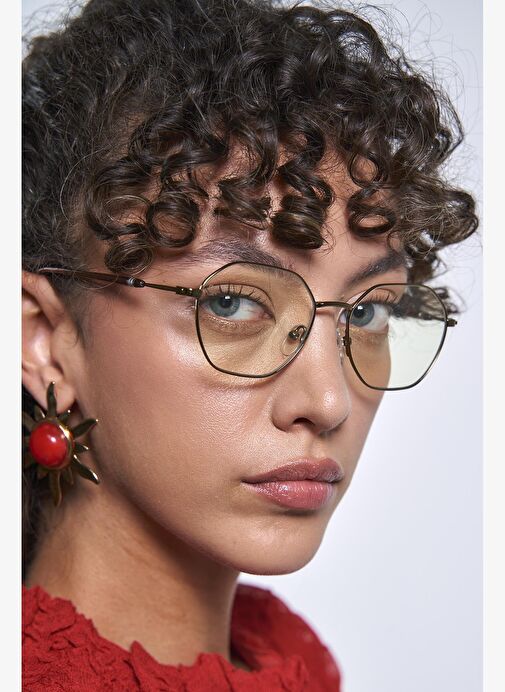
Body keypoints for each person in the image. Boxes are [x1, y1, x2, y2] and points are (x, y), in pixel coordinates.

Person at [21, 0, 478, 689]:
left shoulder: (296, 664)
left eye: (368, 311)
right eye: (231, 303)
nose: (327, 401)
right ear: (44, 341)